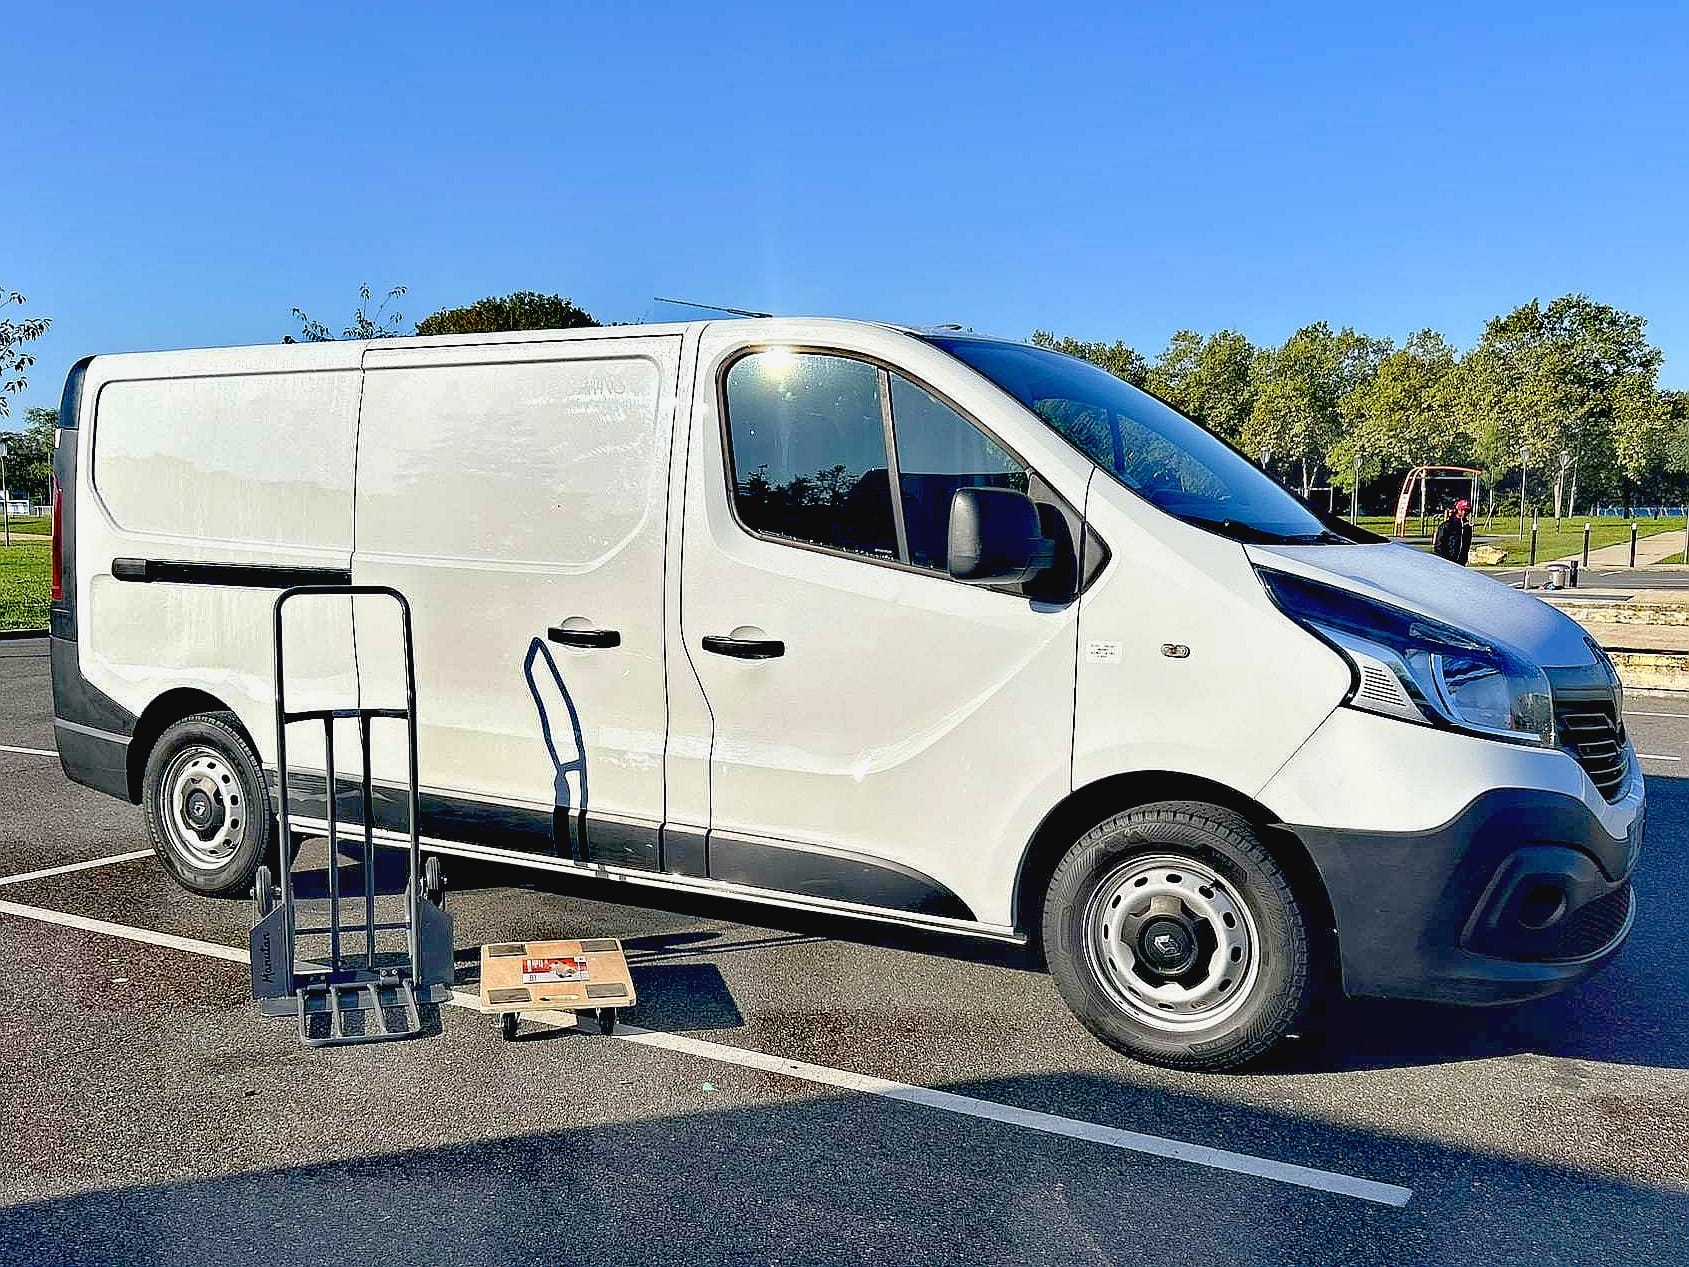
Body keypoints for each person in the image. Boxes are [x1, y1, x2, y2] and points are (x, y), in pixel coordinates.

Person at [1433, 498, 1473, 565]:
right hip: (1447, 562)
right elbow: (1438, 545)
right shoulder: (1447, 525)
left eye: (1467, 511)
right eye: (1463, 510)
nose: (1465, 512)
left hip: (1461, 562)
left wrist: (1464, 559)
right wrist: (1445, 559)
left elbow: (1467, 546)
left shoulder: (1467, 528)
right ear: (1458, 510)